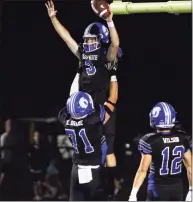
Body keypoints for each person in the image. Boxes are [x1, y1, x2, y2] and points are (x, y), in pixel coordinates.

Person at [45, 0, 120, 197]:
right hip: (84, 106)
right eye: (87, 40)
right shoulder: (82, 55)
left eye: (92, 40)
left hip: (101, 103)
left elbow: (115, 44)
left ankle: (112, 188)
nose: (88, 43)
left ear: (100, 41)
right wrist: (54, 18)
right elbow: (66, 37)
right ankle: (99, 186)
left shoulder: (106, 58)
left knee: (108, 148)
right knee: (92, 150)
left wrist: (110, 22)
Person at [57, 77, 117, 200]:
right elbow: (112, 100)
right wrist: (113, 76)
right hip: (93, 172)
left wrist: (78, 72)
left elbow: (71, 98)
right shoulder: (92, 121)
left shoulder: (66, 120)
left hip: (76, 170)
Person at [129, 102, 192, 201]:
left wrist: (133, 193)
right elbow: (190, 166)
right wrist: (191, 190)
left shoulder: (150, 140)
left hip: (157, 189)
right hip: (177, 189)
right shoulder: (183, 138)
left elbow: (142, 170)